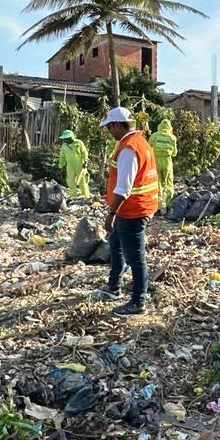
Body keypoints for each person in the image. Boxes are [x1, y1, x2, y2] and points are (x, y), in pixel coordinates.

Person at [93, 106, 160, 317]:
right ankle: (114, 286)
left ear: (116, 125)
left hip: (132, 210)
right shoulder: (140, 142)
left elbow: (124, 188)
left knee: (136, 257)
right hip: (136, 206)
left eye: (109, 128)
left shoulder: (128, 148)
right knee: (116, 245)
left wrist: (111, 214)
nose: (108, 132)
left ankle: (138, 302)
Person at [148, 118, 178, 208]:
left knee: (157, 184)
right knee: (169, 184)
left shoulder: (154, 136)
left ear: (160, 126)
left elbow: (148, 148)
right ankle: (167, 205)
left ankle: (158, 206)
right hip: (167, 162)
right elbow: (174, 153)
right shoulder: (172, 138)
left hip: (156, 161)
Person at [57, 129, 92, 199]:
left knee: (82, 181)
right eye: (65, 139)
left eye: (67, 138)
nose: (66, 140)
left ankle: (86, 197)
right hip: (70, 166)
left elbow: (84, 153)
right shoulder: (64, 146)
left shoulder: (78, 143)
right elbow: (62, 157)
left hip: (80, 165)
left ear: (71, 137)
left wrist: (85, 161)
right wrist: (61, 166)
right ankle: (73, 197)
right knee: (71, 182)